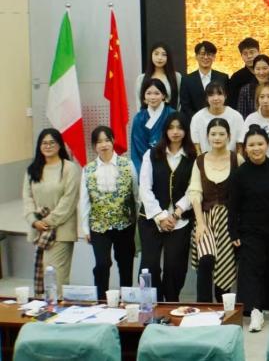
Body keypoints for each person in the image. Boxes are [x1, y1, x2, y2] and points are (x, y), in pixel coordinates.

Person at [229, 126, 269, 329]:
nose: (256, 148)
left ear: (267, 145)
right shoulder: (239, 174)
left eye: (260, 144)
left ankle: (268, 303)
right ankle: (254, 309)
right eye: (251, 145)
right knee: (251, 268)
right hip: (249, 230)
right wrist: (233, 231)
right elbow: (233, 205)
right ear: (245, 148)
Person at [138, 112, 195, 302]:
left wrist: (176, 214)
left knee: (175, 266)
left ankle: (171, 301)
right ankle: (150, 303)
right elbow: (144, 188)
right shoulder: (151, 154)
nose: (175, 132)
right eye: (171, 128)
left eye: (180, 128)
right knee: (150, 264)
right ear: (165, 131)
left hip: (180, 219)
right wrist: (161, 216)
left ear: (186, 131)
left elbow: (193, 190)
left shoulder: (193, 157)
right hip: (151, 218)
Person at [79, 126, 137, 296]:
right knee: (102, 264)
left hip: (125, 224)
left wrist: (138, 223)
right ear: (94, 146)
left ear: (113, 141)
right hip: (99, 226)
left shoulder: (127, 165)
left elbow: (136, 195)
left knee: (125, 263)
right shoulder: (88, 169)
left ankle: (126, 299)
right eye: (99, 142)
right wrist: (85, 228)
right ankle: (102, 301)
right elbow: (84, 200)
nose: (103, 145)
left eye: (106, 140)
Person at [188, 118, 241, 303]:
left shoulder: (237, 159)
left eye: (221, 134)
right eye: (213, 134)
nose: (217, 137)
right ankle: (203, 306)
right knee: (206, 260)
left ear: (229, 136)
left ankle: (223, 307)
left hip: (229, 220)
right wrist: (200, 223)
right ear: (207, 136)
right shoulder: (200, 160)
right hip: (206, 218)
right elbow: (195, 193)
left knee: (225, 262)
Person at [23, 129, 80, 297]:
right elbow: (27, 198)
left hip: (61, 230)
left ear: (60, 145)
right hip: (39, 230)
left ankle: (58, 309)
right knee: (43, 274)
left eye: (52, 142)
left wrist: (47, 222)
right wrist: (34, 221)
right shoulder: (32, 169)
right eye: (44, 143)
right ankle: (44, 308)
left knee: (57, 276)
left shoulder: (69, 168)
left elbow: (69, 201)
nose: (48, 146)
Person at [180, 41, 228, 127]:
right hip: (195, 124)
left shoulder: (223, 78)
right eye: (202, 54)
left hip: (219, 123)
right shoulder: (187, 80)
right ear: (196, 56)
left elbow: (227, 102)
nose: (206, 57)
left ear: (214, 57)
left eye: (209, 54)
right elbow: (185, 106)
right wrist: (199, 120)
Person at [131, 79, 175, 170]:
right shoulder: (139, 118)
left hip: (170, 161)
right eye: (148, 93)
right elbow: (137, 146)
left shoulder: (172, 115)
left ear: (164, 95)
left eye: (157, 93)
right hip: (146, 163)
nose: (152, 97)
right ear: (144, 96)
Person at [189, 82, 245, 154]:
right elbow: (197, 147)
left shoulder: (236, 116)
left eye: (219, 94)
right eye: (211, 95)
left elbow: (239, 145)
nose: (216, 98)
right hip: (206, 158)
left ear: (225, 96)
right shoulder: (197, 118)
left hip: (230, 158)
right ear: (206, 98)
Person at [135, 42, 182, 111]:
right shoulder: (141, 78)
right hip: (147, 116)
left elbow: (178, 101)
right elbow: (139, 102)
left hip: (171, 116)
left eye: (164, 55)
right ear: (151, 56)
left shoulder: (177, 77)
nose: (160, 58)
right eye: (156, 54)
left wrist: (175, 116)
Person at [236, 54, 269, 119]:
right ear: (253, 71)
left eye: (265, 68)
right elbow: (241, 116)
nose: (261, 72)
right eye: (258, 69)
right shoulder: (246, 90)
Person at [227, 37, 260, 110]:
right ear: (241, 56)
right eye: (245, 53)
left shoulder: (267, 74)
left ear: (259, 52)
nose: (249, 56)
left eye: (252, 52)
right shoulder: (236, 78)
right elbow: (232, 104)